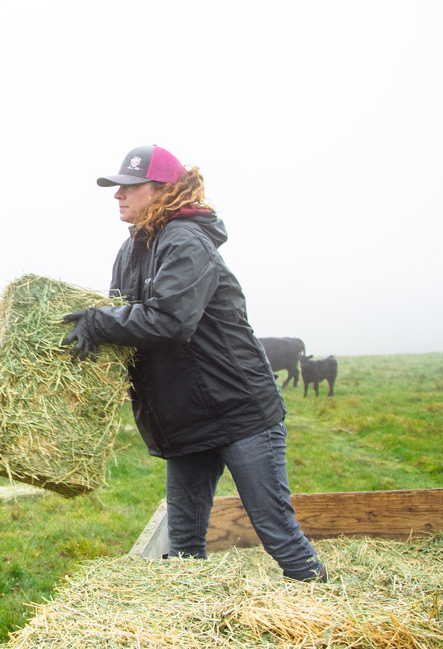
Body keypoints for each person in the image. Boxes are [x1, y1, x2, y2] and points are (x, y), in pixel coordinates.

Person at [62, 144, 326, 582]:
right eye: (116, 187)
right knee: (184, 549)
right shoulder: (130, 252)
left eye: (129, 186)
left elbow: (169, 319)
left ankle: (325, 609)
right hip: (184, 419)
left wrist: (101, 323)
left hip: (238, 411)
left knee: (276, 530)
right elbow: (124, 324)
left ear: (161, 189)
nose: (117, 195)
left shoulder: (186, 240)